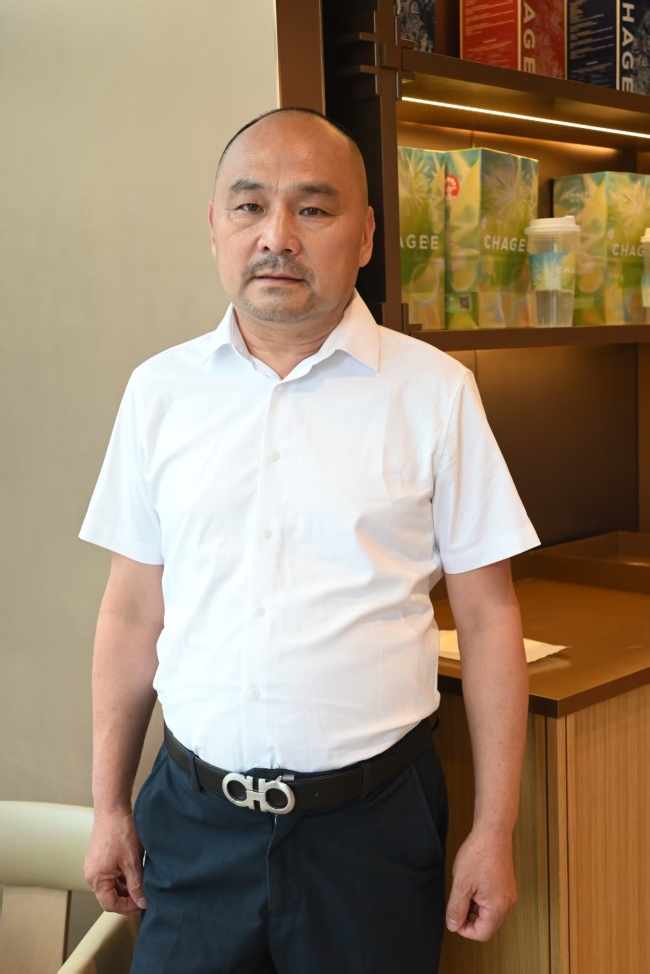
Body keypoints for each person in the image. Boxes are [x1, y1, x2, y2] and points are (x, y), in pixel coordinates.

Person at [79, 107, 540, 973]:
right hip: (192, 824)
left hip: (371, 835)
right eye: (249, 206)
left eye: (314, 209)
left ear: (365, 236)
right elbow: (132, 610)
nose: (277, 236)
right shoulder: (159, 393)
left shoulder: (435, 393)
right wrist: (108, 807)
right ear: (215, 226)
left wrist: (494, 828)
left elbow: (488, 620)